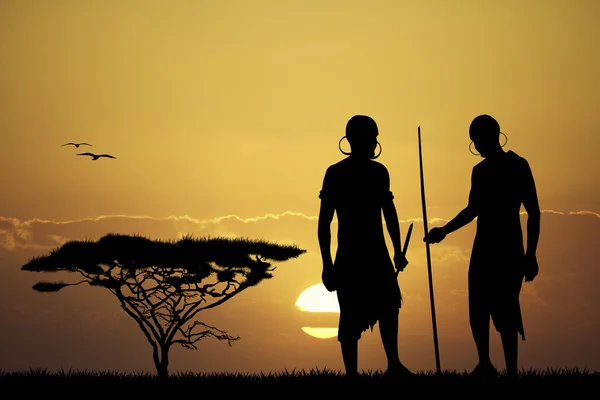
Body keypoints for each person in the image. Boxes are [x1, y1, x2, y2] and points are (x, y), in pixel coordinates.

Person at [423, 114, 541, 380]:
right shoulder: (480, 171)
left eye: (477, 141)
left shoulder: (518, 165)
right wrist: (444, 231)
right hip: (483, 248)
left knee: (506, 308)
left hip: (509, 248)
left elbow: (534, 212)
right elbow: (473, 210)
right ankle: (485, 363)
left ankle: (511, 371)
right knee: (479, 308)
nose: (477, 146)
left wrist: (530, 255)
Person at [317, 115, 411, 379]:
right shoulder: (335, 173)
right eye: (372, 137)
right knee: (350, 315)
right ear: (357, 140)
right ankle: (352, 374)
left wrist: (397, 250)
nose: (375, 142)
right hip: (349, 256)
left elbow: (388, 212)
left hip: (375, 253)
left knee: (389, 305)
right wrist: (327, 265)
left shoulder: (378, 172)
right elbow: (324, 223)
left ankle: (393, 364)